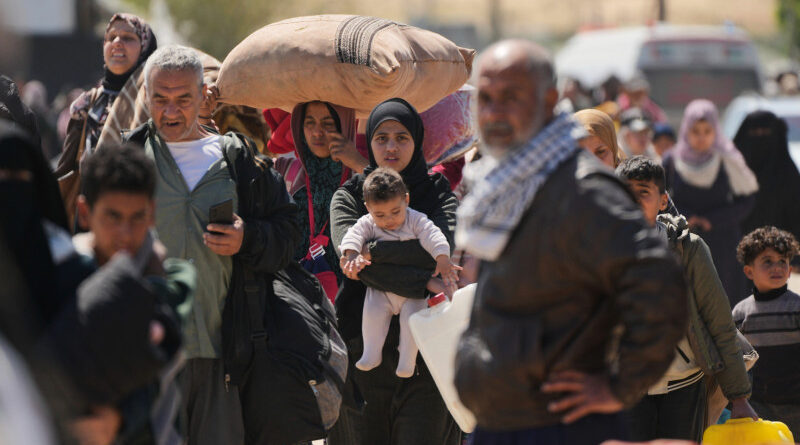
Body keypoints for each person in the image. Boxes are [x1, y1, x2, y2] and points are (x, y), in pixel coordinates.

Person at [453, 39, 688, 445]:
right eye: (486, 98)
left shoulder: (581, 189)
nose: (493, 112)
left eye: (510, 97)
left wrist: (617, 387)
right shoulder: (510, 184)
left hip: (561, 426)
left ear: (548, 100)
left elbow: (660, 286)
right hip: (500, 421)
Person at [122, 45, 300, 445]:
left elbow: (290, 232)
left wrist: (247, 238)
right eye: (160, 99)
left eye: (183, 99)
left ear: (203, 96)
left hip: (225, 356)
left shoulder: (235, 159)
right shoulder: (129, 159)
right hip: (147, 357)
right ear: (146, 97)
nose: (171, 111)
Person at [328, 98, 460, 445]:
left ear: (416, 141)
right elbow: (352, 263)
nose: (391, 146)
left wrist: (376, 253)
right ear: (368, 142)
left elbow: (438, 251)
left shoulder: (437, 194)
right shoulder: (349, 197)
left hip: (427, 352)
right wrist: (425, 279)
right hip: (361, 351)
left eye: (402, 137)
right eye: (381, 137)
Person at [616, 156, 756, 442]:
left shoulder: (688, 249)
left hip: (684, 386)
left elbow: (718, 322)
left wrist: (738, 395)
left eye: (643, 193)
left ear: (663, 201)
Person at [73, 143, 196, 445]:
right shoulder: (68, 269)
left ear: (152, 212)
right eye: (113, 217)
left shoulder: (173, 280)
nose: (125, 234)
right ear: (85, 212)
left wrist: (118, 419)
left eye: (137, 217)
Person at [338, 167, 460, 378]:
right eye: (380, 215)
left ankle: (407, 361)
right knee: (372, 314)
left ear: (406, 200)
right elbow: (353, 235)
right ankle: (371, 353)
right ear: (368, 208)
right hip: (382, 288)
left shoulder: (415, 219)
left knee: (412, 323)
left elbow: (434, 235)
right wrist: (351, 254)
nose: (389, 220)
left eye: (396, 211)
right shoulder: (368, 223)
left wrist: (442, 257)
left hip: (412, 292)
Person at [55, 13, 157, 230]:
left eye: (128, 37)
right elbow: (67, 168)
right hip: (93, 216)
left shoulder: (159, 100)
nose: (117, 42)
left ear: (145, 48)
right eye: (111, 37)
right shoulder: (87, 103)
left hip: (144, 214)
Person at [663, 99, 759, 305]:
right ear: (685, 130)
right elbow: (661, 198)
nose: (701, 137)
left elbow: (747, 200)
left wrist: (712, 220)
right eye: (695, 131)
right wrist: (685, 216)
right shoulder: (671, 160)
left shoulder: (728, 159)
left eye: (707, 131)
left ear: (716, 130)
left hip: (723, 244)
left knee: (725, 303)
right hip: (682, 242)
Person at [274, 101, 367, 299]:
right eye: (309, 123)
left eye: (328, 124)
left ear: (344, 126)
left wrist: (357, 162)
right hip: (294, 301)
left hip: (352, 305)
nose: (317, 132)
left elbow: (398, 200)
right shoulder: (285, 171)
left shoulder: (361, 177)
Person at [733, 226, 800, 435]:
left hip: (795, 403)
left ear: (790, 270)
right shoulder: (740, 312)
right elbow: (735, 358)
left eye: (782, 261)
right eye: (767, 261)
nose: (777, 267)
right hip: (757, 405)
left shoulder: (795, 308)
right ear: (749, 271)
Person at [733, 111, 800, 247]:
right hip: (735, 255)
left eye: (765, 132)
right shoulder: (732, 172)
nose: (760, 138)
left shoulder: (788, 175)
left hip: (780, 256)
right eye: (754, 133)